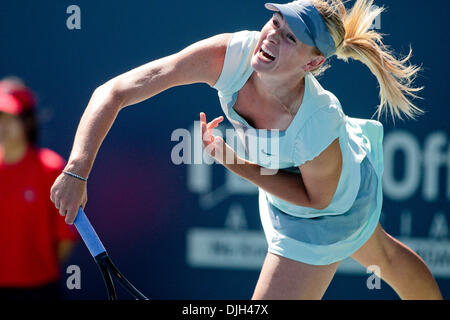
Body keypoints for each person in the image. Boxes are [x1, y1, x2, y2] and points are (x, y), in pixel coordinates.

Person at [50, 0, 443, 299]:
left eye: (291, 38)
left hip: (327, 208)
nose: (272, 36)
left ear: (312, 63)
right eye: (275, 22)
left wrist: (234, 162)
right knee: (383, 255)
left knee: (376, 251)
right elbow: (115, 91)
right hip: (298, 178)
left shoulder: (316, 124)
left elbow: (316, 201)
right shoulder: (231, 56)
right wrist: (76, 169)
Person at [0, 78, 79, 300]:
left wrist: (37, 272)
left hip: (40, 289)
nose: (2, 125)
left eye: (9, 118)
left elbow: (65, 237)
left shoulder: (50, 168)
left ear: (27, 121)